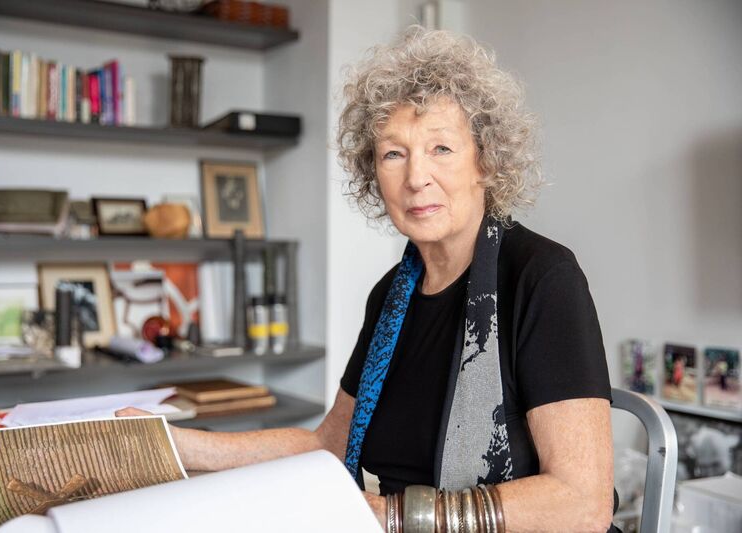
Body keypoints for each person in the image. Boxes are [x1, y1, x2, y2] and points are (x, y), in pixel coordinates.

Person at [120, 26, 616, 532]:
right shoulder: (392, 296)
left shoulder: (542, 278)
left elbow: (583, 504)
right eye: (393, 154)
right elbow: (325, 447)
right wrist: (175, 443)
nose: (416, 177)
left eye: (441, 148)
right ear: (373, 174)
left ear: (485, 161)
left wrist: (395, 516)